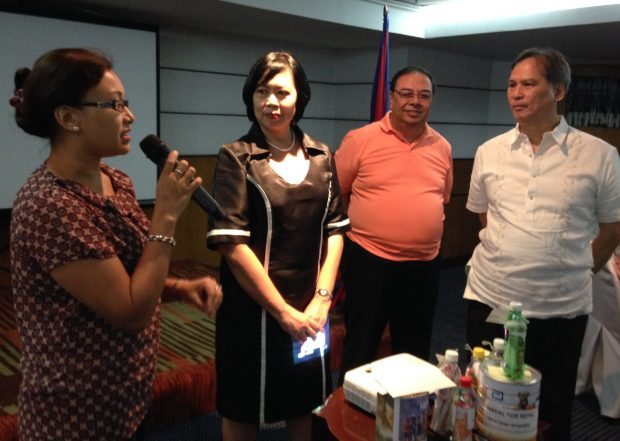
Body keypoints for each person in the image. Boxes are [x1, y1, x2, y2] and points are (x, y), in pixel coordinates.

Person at [9, 48, 222, 441]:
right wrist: (167, 215)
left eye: (127, 103)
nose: (130, 117)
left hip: (125, 400)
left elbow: (128, 276)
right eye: (115, 105)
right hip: (73, 415)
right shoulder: (48, 205)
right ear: (68, 118)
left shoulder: (115, 180)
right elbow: (129, 311)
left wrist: (179, 288)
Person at [464, 47, 620, 441]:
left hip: (560, 309)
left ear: (559, 90)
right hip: (491, 299)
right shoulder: (489, 152)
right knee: (488, 397)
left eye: (529, 84)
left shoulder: (600, 155)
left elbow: (613, 227)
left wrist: (579, 271)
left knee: (552, 407)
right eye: (512, 85)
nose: (516, 93)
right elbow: (485, 216)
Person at [206, 51, 350, 441]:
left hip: (310, 309)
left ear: (299, 97)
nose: (271, 102)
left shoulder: (322, 156)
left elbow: (335, 232)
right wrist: (283, 313)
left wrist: (322, 300)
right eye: (262, 91)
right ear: (250, 97)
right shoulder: (236, 157)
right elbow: (233, 247)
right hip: (251, 312)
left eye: (282, 92)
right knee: (243, 409)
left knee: (304, 401)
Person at [334, 66, 453, 381]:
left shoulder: (442, 146)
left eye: (424, 95)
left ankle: (404, 419)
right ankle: (348, 423)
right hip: (369, 261)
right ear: (391, 97)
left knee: (413, 352)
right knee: (361, 346)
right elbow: (336, 196)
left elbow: (442, 198)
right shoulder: (360, 139)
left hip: (424, 267)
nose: (415, 101)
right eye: (407, 93)